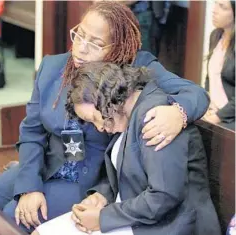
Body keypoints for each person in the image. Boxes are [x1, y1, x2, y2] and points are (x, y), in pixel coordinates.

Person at [0, 2, 209, 234]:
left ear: (119, 47)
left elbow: (196, 93)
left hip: (89, 179)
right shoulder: (52, 68)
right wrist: (29, 186)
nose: (81, 49)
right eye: (79, 35)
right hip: (47, 164)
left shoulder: (136, 65)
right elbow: (32, 133)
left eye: (96, 44)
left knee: (13, 216)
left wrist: (178, 113)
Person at [68, 62, 221, 235]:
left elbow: (164, 196)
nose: (99, 128)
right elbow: (130, 175)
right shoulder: (125, 114)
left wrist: (103, 218)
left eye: (95, 118)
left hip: (173, 226)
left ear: (106, 99)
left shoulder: (155, 118)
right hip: (141, 220)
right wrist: (102, 196)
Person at [202, 0, 235, 130]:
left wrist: (218, 116)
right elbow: (210, 78)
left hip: (230, 117)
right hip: (214, 111)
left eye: (222, 7)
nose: (214, 10)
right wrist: (207, 103)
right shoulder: (216, 36)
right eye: (215, 3)